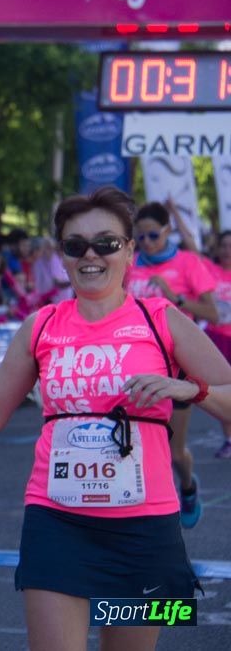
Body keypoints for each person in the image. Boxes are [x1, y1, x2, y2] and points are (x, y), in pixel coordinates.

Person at [0, 187, 231, 651]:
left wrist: (188, 388)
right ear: (62, 256)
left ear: (130, 251)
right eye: (75, 246)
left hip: (145, 528)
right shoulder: (42, 325)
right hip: (57, 523)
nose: (90, 255)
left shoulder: (162, 319)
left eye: (107, 243)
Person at [127, 201, 217, 529]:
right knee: (140, 445)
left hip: (176, 367)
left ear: (167, 230)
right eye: (142, 236)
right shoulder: (130, 265)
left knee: (175, 452)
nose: (149, 242)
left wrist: (174, 298)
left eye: (154, 235)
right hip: (135, 364)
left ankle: (188, 486)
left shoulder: (189, 263)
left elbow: (213, 314)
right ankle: (147, 513)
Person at [199, 230, 231, 458]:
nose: (228, 250)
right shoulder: (210, 270)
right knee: (224, 388)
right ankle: (229, 440)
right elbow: (191, 246)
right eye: (224, 246)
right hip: (217, 337)